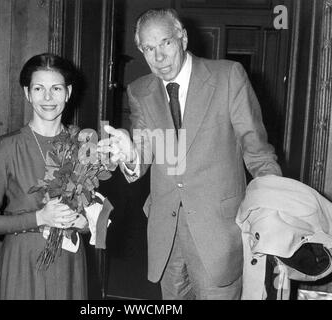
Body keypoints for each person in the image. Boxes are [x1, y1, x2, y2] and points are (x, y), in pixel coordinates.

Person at [98, 8, 282, 299]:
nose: (158, 57)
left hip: (218, 232)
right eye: (148, 48)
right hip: (166, 235)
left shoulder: (228, 77)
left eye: (166, 43)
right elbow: (144, 154)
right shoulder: (139, 91)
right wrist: (131, 154)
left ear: (182, 38)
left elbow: (257, 152)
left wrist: (275, 212)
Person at [0, 53, 111, 300]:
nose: (48, 97)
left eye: (56, 88)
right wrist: (39, 217)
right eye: (39, 88)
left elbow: (98, 216)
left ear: (68, 92)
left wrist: (85, 225)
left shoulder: (85, 143)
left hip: (69, 263)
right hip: (22, 265)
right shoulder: (7, 147)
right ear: (27, 93)